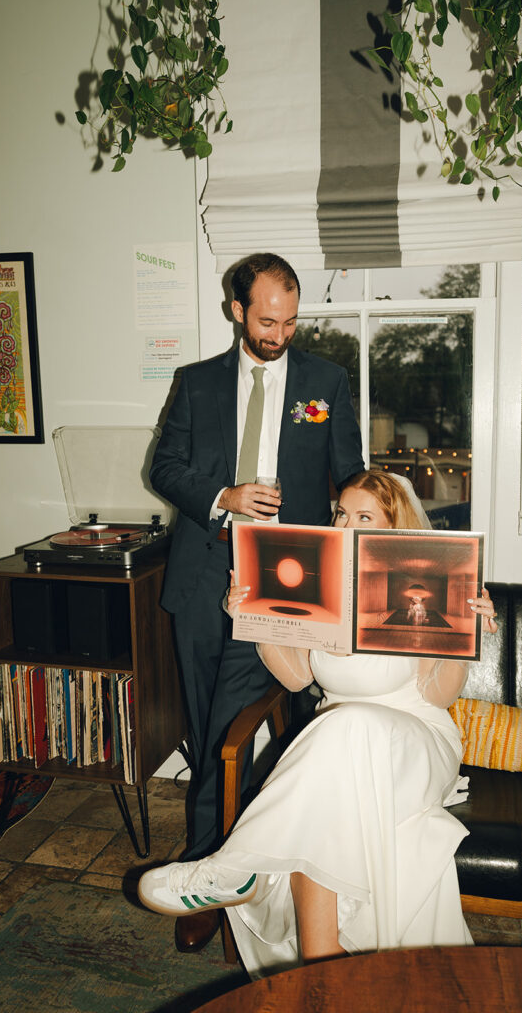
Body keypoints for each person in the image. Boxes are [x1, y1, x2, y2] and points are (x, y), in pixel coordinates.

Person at [139, 471, 498, 975]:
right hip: (338, 750)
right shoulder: (322, 582)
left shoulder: (419, 581)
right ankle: (321, 975)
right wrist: (255, 621)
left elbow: (437, 696)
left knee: (345, 727)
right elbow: (296, 679)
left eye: (365, 516)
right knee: (334, 767)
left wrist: (464, 637)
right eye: (342, 513)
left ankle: (235, 871)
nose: (348, 524)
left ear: (394, 527)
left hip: (414, 741)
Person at [149, 253, 364, 953]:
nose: (281, 332)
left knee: (255, 732)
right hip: (202, 578)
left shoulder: (325, 382)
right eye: (268, 320)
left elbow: (350, 477)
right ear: (237, 311)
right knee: (207, 728)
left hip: (285, 588)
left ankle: (248, 871)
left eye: (292, 319)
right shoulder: (196, 383)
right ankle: (219, 864)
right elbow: (164, 469)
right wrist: (224, 500)